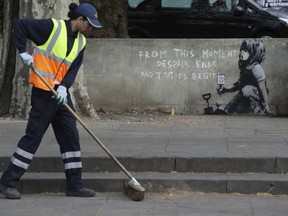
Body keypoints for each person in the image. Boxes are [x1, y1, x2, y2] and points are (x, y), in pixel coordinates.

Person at [0, 3, 102, 199]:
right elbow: (19, 25)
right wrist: (22, 52)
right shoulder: (52, 28)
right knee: (33, 137)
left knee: (70, 138)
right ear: (79, 20)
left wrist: (64, 87)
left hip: (61, 96)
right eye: (89, 24)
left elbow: (73, 69)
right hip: (43, 93)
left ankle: (74, 185)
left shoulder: (81, 42)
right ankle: (7, 182)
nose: (91, 29)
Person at [219, 39, 273, 116]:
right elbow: (239, 84)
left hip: (254, 94)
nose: (241, 53)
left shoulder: (256, 68)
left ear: (253, 53)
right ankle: (226, 111)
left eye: (245, 51)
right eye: (242, 50)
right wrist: (225, 88)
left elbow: (263, 87)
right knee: (232, 104)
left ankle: (261, 111)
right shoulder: (246, 67)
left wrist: (267, 106)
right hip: (244, 93)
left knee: (247, 89)